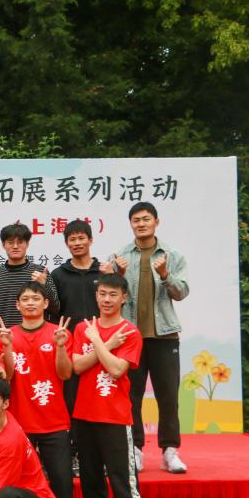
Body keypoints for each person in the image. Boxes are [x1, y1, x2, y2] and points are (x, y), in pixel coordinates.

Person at [102, 202, 190, 474]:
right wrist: (115, 275)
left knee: (168, 396)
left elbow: (182, 292)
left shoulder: (172, 255)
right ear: (130, 224)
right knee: (131, 396)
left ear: (156, 222)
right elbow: (110, 295)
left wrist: (165, 275)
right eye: (136, 220)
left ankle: (170, 451)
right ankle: (135, 449)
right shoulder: (120, 256)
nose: (141, 224)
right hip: (130, 337)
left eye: (146, 219)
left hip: (165, 335)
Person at [69, 274, 145, 498]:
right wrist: (105, 344)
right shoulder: (83, 328)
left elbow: (115, 369)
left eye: (113, 294)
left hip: (114, 417)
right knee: (91, 481)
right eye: (102, 293)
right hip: (85, 415)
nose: (106, 299)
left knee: (122, 483)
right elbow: (77, 366)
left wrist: (99, 343)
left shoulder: (130, 332)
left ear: (124, 298)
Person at [0, 282, 75, 498]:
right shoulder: (9, 335)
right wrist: (6, 347)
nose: (30, 303)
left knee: (62, 481)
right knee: (15, 485)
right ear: (17, 305)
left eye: (36, 298)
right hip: (19, 424)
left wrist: (61, 346)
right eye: (25, 299)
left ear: (45, 303)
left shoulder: (58, 332)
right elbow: (6, 375)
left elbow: (65, 374)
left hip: (54, 421)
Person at [50, 219, 102, 477]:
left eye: (82, 238)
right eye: (72, 239)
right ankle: (73, 453)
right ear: (66, 243)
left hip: (101, 345)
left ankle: (98, 455)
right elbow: (53, 309)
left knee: (99, 399)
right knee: (70, 401)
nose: (77, 243)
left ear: (90, 240)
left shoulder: (104, 271)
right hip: (69, 347)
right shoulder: (58, 275)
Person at [0, 222, 58, 331]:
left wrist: (44, 284)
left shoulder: (40, 272)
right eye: (10, 242)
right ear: (3, 245)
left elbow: (55, 308)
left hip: (37, 337)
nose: (15, 246)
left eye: (20, 242)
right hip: (4, 336)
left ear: (27, 244)